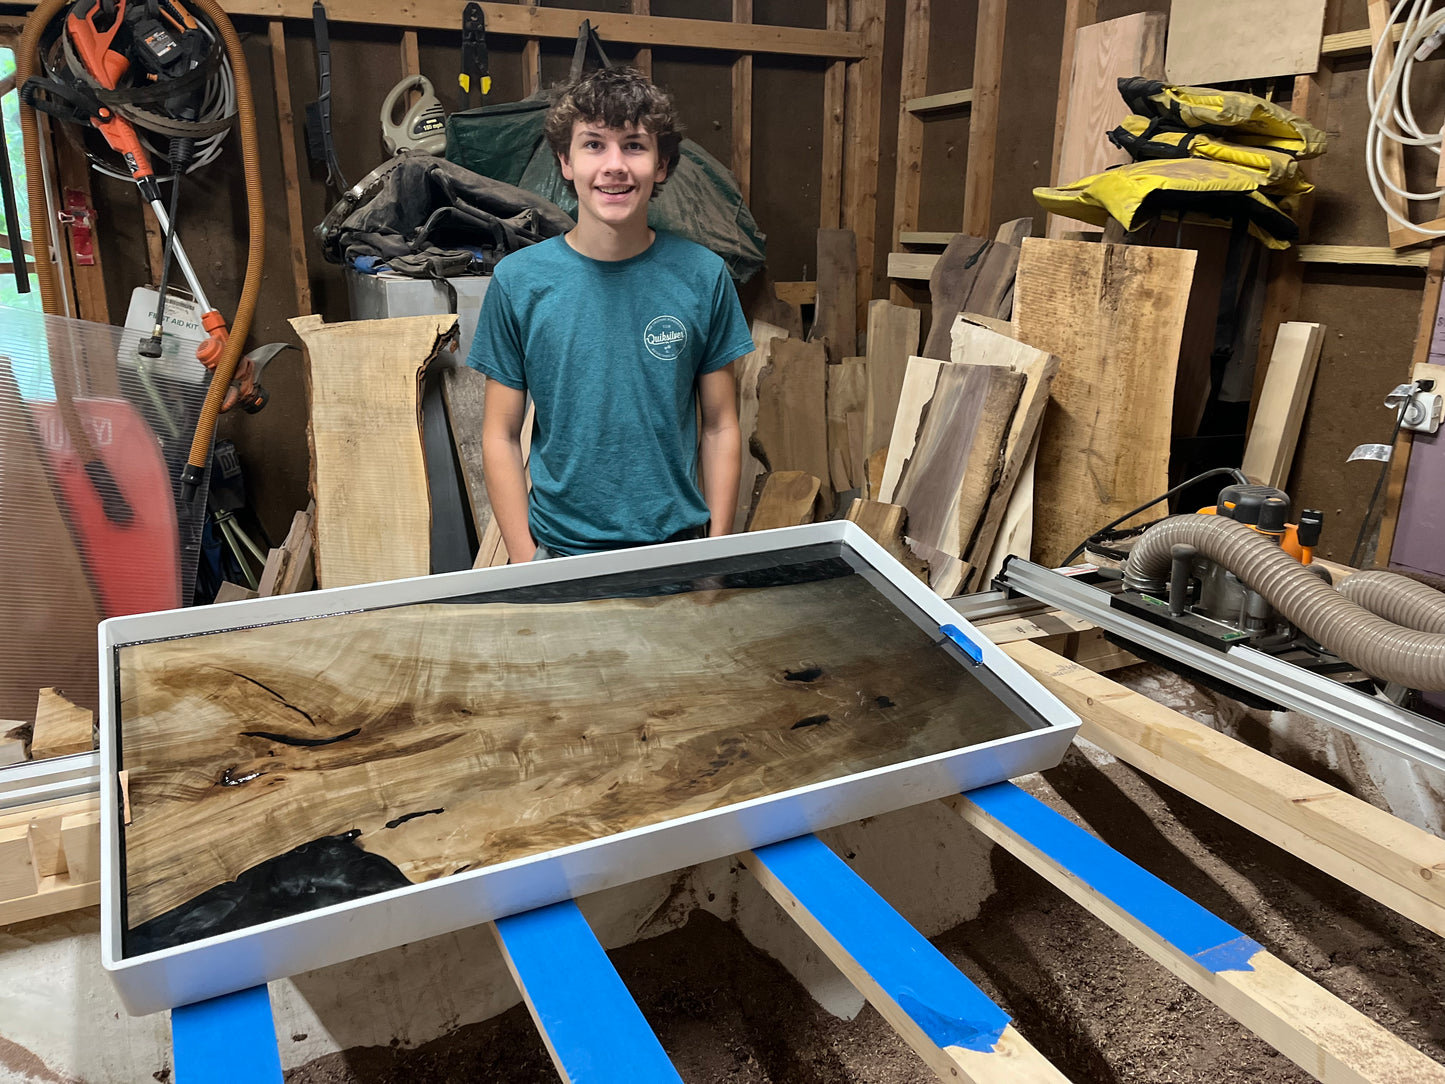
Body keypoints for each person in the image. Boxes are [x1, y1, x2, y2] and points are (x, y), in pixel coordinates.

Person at [468, 67, 754, 561]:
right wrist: (523, 560)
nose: (614, 165)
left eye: (635, 146)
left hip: (677, 552)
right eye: (594, 144)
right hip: (560, 553)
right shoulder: (519, 282)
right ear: (565, 161)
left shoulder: (704, 277)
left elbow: (720, 425)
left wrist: (717, 553)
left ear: (662, 165)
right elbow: (499, 434)